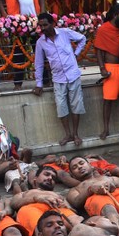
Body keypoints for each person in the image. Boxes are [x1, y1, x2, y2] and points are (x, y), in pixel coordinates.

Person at [33, 13, 87, 147]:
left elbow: (82, 38)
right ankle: (68, 134)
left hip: (73, 75)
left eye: (45, 25)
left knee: (76, 104)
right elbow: (38, 63)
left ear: (53, 24)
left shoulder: (64, 33)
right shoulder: (40, 42)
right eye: (41, 26)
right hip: (58, 78)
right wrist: (39, 83)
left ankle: (75, 134)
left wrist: (76, 54)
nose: (43, 28)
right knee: (61, 107)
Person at [94, 4, 119, 140]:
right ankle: (106, 129)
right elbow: (98, 50)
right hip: (110, 68)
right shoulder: (104, 29)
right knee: (108, 100)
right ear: (115, 15)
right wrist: (102, 68)